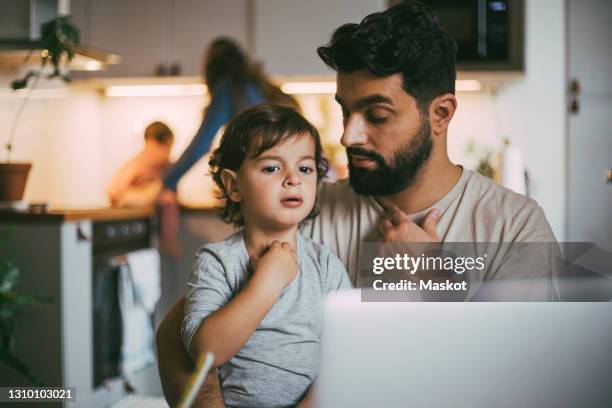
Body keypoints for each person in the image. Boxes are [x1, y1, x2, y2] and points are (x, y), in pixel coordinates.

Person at [156, 1, 559, 406]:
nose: (349, 136)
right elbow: (179, 337)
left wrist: (432, 285)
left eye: (377, 115)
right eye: (345, 112)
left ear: (440, 114)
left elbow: (524, 384)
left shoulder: (516, 229)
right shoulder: (305, 211)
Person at [181, 104, 351, 407]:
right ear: (233, 185)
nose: (293, 179)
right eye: (272, 168)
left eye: (305, 168)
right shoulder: (217, 261)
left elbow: (348, 354)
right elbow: (206, 352)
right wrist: (267, 284)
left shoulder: (325, 265)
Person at [157, 37, 298, 255]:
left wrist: (168, 181)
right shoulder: (259, 87)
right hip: (291, 182)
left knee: (262, 257)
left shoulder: (229, 88)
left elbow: (200, 145)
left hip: (267, 182)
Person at [107, 121, 174, 207]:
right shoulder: (161, 156)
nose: (169, 152)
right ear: (168, 141)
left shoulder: (136, 160)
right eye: (170, 147)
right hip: (129, 200)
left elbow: (112, 190)